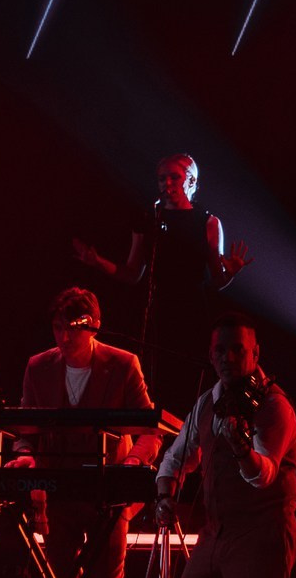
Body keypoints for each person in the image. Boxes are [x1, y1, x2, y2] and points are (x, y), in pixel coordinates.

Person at [8, 287, 158, 578]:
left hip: (109, 493)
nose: (62, 337)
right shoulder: (38, 366)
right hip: (59, 492)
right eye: (57, 328)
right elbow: (26, 433)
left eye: (71, 328)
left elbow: (150, 431)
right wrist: (25, 457)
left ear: (93, 326)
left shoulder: (123, 364)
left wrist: (133, 465)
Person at [156, 316, 296, 578]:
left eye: (238, 349)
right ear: (210, 354)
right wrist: (165, 494)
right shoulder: (207, 401)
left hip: (261, 533)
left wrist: (241, 451)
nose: (228, 357)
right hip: (216, 534)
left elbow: (265, 474)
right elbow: (175, 456)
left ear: (256, 353)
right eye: (220, 350)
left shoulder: (274, 406)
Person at [74, 152, 251, 417]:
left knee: (188, 385)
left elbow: (216, 281)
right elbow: (133, 274)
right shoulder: (148, 219)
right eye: (161, 178)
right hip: (157, 311)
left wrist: (232, 273)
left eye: (174, 177)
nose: (167, 183)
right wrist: (97, 261)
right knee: (154, 386)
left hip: (191, 312)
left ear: (191, 180)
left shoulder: (208, 222)